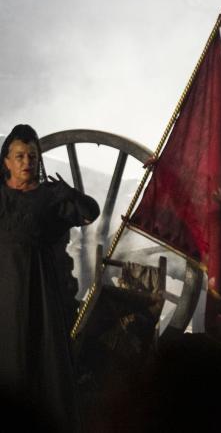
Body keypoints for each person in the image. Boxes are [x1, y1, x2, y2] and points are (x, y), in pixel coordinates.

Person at [0, 124, 100, 431]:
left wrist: (70, 193)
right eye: (19, 156)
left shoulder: (49, 196)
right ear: (7, 161)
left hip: (40, 290)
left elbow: (89, 212)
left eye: (32, 156)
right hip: (4, 289)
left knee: (43, 358)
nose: (26, 162)